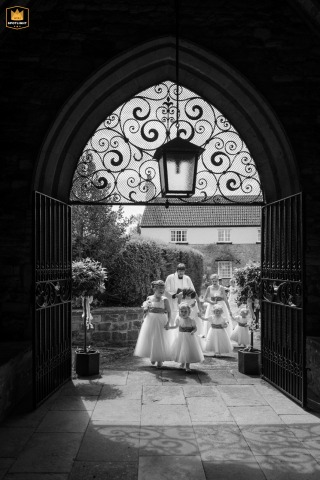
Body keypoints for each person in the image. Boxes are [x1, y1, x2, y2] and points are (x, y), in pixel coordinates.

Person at [133, 279, 171, 368]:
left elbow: (169, 312)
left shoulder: (165, 300)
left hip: (161, 320)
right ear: (155, 289)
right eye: (159, 289)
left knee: (160, 339)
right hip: (150, 320)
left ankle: (159, 360)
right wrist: (144, 314)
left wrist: (168, 322)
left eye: (163, 289)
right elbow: (146, 311)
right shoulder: (149, 298)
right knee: (151, 338)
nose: (161, 291)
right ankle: (152, 356)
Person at [166, 302, 204, 372]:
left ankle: (187, 366)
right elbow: (175, 326)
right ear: (179, 312)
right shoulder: (178, 319)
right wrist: (169, 327)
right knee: (182, 350)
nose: (183, 313)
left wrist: (193, 331)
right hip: (181, 337)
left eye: (185, 311)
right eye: (182, 311)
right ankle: (182, 363)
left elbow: (195, 328)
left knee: (188, 351)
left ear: (189, 312)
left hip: (189, 337)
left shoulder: (191, 320)